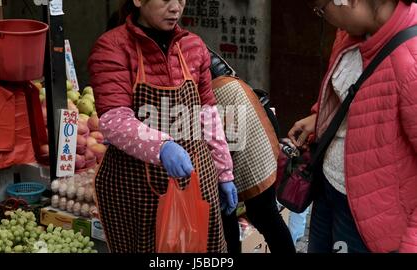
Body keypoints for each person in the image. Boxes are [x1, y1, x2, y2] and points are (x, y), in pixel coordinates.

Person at [88, 0, 237, 253]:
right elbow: (114, 119)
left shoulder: (194, 46)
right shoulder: (112, 47)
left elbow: (208, 113)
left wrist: (224, 172)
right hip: (135, 189)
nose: (176, 7)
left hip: (195, 178)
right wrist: (162, 146)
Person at [288, 0, 417, 253]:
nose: (323, 17)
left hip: (370, 218)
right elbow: (352, 91)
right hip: (329, 190)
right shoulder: (349, 34)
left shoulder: (411, 62)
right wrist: (319, 117)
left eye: (322, 9)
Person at [208, 49, 296, 253]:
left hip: (237, 123)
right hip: (228, 120)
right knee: (237, 211)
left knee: (256, 211)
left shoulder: (182, 46)